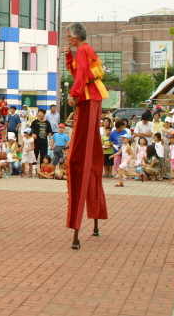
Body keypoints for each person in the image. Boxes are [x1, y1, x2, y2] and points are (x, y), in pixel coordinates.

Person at [64, 22, 109, 250]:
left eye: (69, 37)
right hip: (93, 95)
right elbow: (76, 71)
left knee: (78, 157)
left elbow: (80, 74)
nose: (68, 40)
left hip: (89, 96)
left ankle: (79, 229)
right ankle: (95, 223)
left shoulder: (83, 49)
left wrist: (73, 93)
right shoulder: (83, 50)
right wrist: (68, 57)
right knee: (91, 153)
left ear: (76, 36)